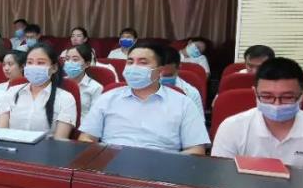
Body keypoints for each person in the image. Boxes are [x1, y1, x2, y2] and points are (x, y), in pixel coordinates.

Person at [211, 57, 303, 171]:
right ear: (255, 93)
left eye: (287, 97)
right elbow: (222, 180)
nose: (276, 104)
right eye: (267, 96)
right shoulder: (232, 128)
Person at [79, 41, 208, 154]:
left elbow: (196, 149)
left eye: (143, 62)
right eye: (130, 62)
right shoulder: (107, 98)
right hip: (110, 164)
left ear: (160, 71)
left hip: (161, 167)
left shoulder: (183, 104)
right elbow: (86, 138)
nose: (134, 67)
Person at [0, 42, 77, 140]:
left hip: (47, 149)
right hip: (11, 147)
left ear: (54, 68)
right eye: (30, 62)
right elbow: (1, 133)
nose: (34, 67)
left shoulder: (65, 98)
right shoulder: (12, 92)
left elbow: (60, 141)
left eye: (40, 63)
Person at [159, 47, 204, 113]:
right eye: (159, 73)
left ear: (179, 67)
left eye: (168, 76)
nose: (162, 78)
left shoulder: (191, 93)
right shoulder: (144, 89)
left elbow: (198, 119)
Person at [62, 44, 103, 116]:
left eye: (75, 60)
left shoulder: (96, 88)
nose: (69, 63)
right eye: (67, 59)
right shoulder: (59, 83)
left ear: (87, 64)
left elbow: (95, 116)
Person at [0, 49, 26, 116]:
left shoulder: (28, 88)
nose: (6, 68)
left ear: (22, 67)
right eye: (4, 65)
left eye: (10, 64)